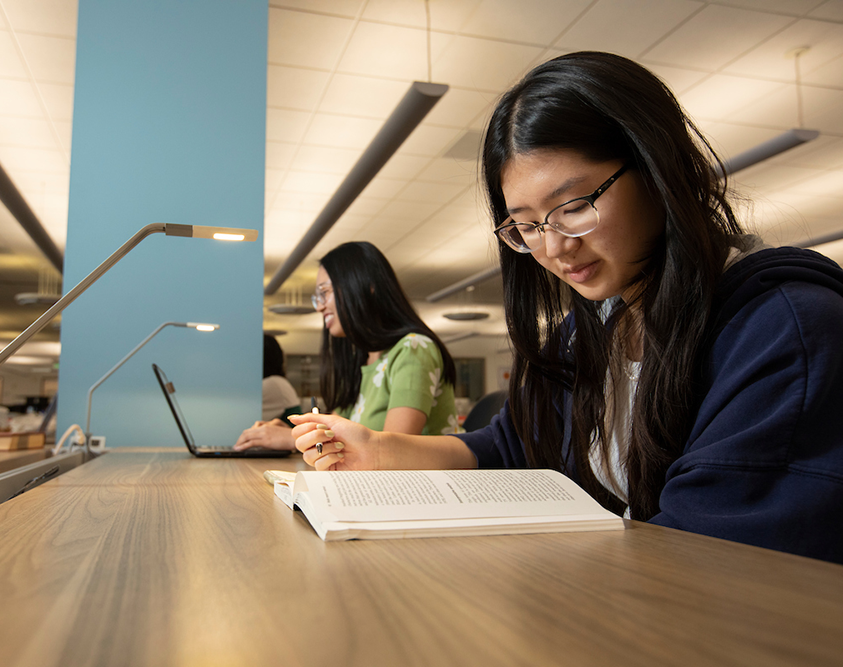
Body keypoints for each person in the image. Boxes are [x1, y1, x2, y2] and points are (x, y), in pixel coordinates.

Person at [290, 52, 843, 564]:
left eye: (573, 206)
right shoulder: (589, 330)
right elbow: (511, 444)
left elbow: (712, 556)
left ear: (657, 169)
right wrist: (382, 450)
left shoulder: (781, 330)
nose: (552, 247)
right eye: (526, 226)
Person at [235, 241, 459, 450]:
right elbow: (333, 433)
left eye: (324, 293)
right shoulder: (361, 360)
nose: (319, 307)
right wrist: (301, 434)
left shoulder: (413, 348)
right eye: (318, 298)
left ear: (367, 287)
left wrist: (292, 440)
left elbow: (392, 450)